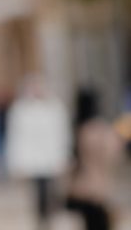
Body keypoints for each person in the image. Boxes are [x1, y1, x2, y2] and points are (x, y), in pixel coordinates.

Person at [5, 75, 71, 227]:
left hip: (51, 157)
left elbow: (62, 134)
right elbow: (16, 136)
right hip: (33, 160)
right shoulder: (21, 109)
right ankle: (42, 219)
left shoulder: (55, 107)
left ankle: (50, 216)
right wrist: (16, 162)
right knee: (39, 192)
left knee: (52, 191)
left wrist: (64, 157)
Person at [65, 89, 125, 230]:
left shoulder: (77, 127)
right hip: (98, 186)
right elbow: (113, 154)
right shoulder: (99, 128)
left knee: (88, 222)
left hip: (80, 185)